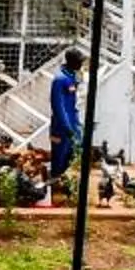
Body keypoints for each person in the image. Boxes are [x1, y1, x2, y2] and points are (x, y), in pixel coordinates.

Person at [47, 48, 83, 187]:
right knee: (59, 157)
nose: (81, 65)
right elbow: (58, 106)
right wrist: (67, 127)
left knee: (73, 155)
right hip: (60, 127)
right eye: (79, 62)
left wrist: (76, 126)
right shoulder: (59, 79)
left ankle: (67, 186)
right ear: (72, 62)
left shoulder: (71, 77)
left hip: (73, 123)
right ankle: (55, 185)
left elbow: (72, 103)